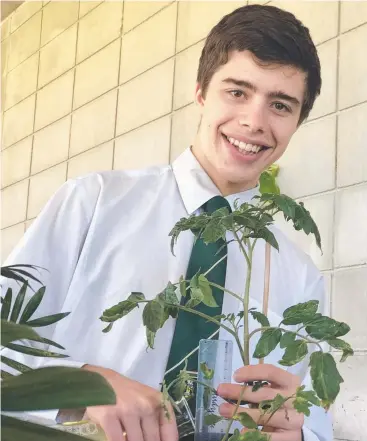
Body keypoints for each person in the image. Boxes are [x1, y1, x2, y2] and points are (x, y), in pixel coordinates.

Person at [1, 4, 333, 441]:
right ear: (201, 91)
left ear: (297, 122)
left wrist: (300, 431)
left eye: (280, 105)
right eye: (237, 92)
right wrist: (79, 386)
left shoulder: (300, 275)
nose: (254, 121)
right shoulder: (94, 203)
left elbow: (317, 419)